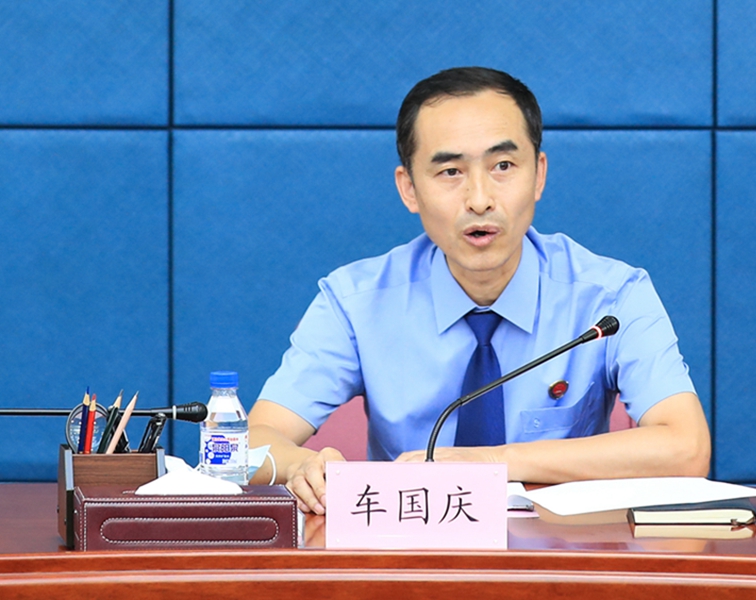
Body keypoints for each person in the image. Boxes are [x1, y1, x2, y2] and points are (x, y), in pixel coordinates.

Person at [248, 66, 710, 515]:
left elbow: (686, 449)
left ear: (539, 174)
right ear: (409, 189)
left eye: (503, 166)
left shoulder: (610, 298)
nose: (480, 199)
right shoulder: (355, 302)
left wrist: (490, 463)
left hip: (560, 553)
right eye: (450, 172)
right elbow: (248, 441)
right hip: (411, 553)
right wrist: (300, 466)